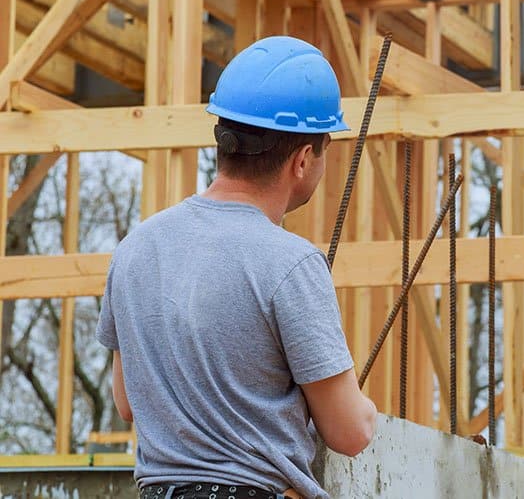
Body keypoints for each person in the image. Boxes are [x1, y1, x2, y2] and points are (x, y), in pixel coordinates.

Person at [97, 36, 377, 499]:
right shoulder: (290, 262)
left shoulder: (135, 249)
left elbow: (127, 402)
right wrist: (358, 405)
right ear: (304, 159)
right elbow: (350, 432)